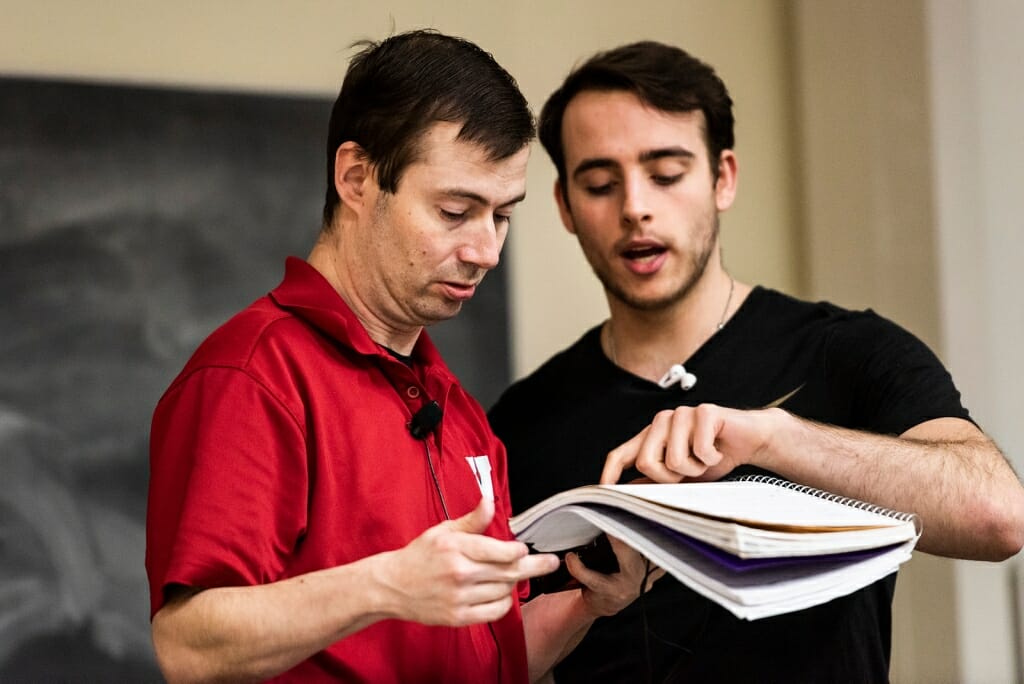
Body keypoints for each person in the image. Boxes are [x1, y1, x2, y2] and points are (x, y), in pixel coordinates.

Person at [488, 40, 1024, 682]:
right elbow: (498, 657)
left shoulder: (846, 351)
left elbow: (999, 517)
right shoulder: (522, 419)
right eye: (600, 183)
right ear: (566, 207)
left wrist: (776, 439)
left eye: (666, 173)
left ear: (723, 178)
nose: (635, 207)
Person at [145, 30, 654, 684]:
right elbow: (187, 647)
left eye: (502, 215)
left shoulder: (460, 412)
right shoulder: (253, 375)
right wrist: (384, 585)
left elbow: (487, 661)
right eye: (454, 210)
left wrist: (589, 604)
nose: (486, 250)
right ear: (357, 178)